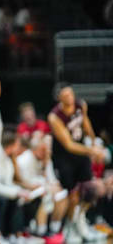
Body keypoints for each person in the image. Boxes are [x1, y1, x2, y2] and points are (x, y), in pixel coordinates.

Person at [48, 85, 106, 242]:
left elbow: (86, 123)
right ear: (59, 98)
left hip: (82, 155)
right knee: (72, 195)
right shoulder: (54, 117)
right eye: (65, 95)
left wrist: (94, 143)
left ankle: (80, 223)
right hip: (64, 158)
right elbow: (68, 144)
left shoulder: (81, 105)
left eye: (71, 94)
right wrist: (92, 151)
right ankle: (69, 228)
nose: (69, 97)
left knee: (90, 190)